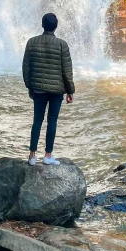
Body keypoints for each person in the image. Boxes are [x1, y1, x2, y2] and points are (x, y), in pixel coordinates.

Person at [22, 13, 75, 166]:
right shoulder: (61, 45)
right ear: (56, 26)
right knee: (52, 121)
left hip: (38, 89)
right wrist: (70, 91)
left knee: (37, 120)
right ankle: (48, 155)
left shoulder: (31, 42)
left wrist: (30, 86)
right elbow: (67, 71)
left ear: (42, 24)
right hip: (57, 90)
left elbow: (26, 67)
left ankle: (32, 156)